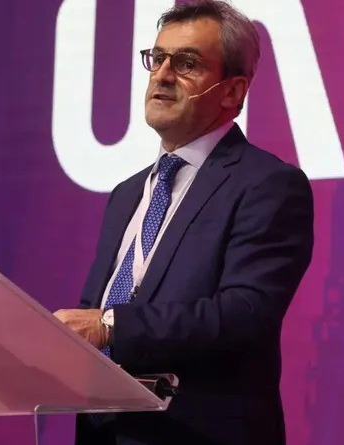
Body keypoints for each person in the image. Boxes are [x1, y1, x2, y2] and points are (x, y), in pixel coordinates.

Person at [54, 1, 314, 443]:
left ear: (233, 91)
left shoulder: (267, 185)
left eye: (186, 63)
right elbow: (96, 311)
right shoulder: (126, 194)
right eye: (157, 58)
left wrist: (110, 327)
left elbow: (244, 313)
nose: (162, 75)